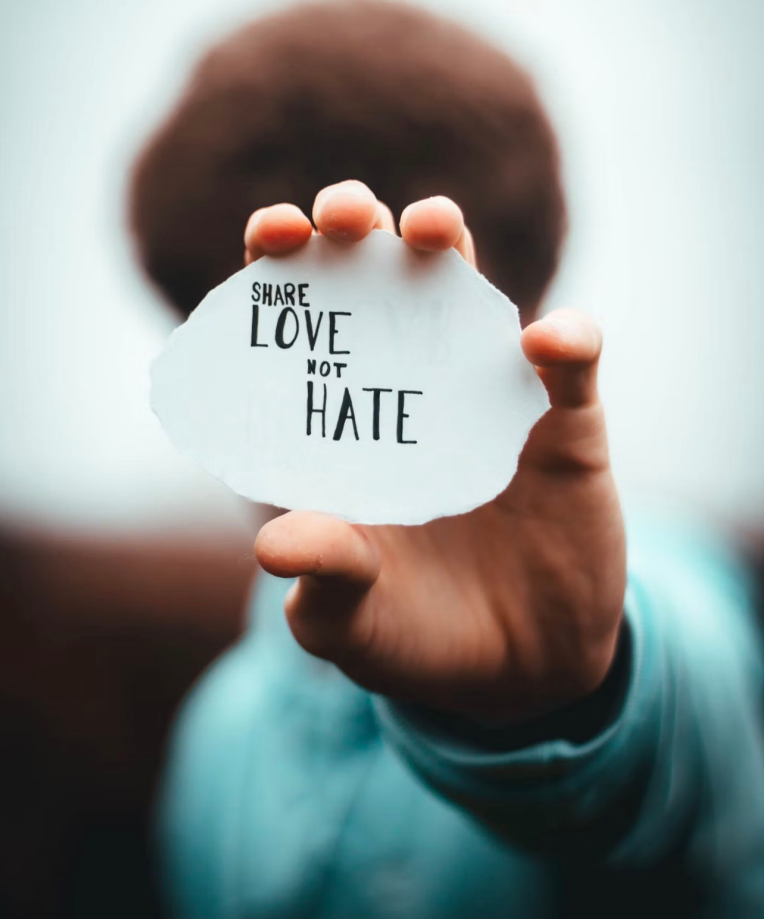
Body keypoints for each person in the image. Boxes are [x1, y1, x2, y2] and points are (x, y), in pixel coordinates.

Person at [129, 3, 764, 916]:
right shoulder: (224, 723)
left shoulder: (632, 598)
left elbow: (677, 752)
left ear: (497, 308)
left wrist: (557, 704)